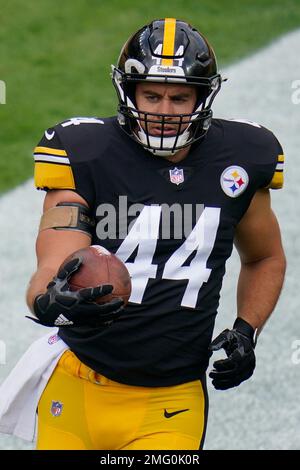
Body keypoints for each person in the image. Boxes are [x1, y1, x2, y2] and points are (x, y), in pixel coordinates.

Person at [25, 18, 286, 450]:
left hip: (171, 397)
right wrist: (48, 299)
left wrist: (246, 329)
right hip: (77, 383)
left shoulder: (240, 157)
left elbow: (264, 257)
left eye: (180, 97)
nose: (164, 111)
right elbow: (53, 257)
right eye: (152, 95)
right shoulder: (87, 151)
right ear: (128, 92)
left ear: (204, 96)